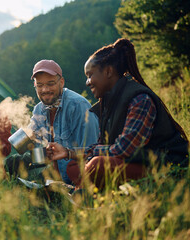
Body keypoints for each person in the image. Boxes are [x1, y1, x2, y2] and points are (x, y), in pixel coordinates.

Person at [47, 38, 189, 189]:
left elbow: (124, 149)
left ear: (108, 72)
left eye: (90, 75)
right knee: (73, 165)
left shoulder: (140, 99)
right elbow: (104, 146)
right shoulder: (108, 104)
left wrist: (92, 156)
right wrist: (68, 152)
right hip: (132, 163)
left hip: (165, 167)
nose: (87, 82)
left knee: (97, 164)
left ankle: (82, 194)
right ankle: (88, 190)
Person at [5, 60, 99, 184]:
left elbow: (93, 151)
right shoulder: (39, 109)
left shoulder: (78, 106)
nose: (45, 89)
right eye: (40, 85)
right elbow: (32, 145)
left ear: (61, 82)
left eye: (50, 84)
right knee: (12, 167)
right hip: (52, 179)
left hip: (77, 179)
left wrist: (67, 153)